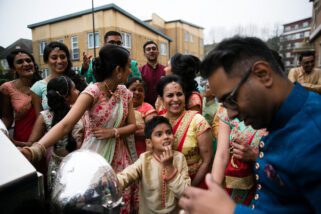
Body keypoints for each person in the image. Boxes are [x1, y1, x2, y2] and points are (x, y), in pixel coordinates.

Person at [179, 36, 321, 213]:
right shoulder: (277, 120)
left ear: (263, 74)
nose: (230, 115)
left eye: (231, 99)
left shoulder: (314, 133)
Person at [21, 44, 138, 213]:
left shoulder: (125, 93)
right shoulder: (93, 92)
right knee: (94, 204)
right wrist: (36, 150)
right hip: (93, 158)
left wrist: (113, 132)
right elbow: (65, 124)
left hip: (120, 158)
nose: (131, 72)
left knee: (120, 203)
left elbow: (133, 126)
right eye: (128, 66)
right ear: (118, 70)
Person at [117, 116, 191, 214]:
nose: (166, 137)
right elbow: (127, 175)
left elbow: (185, 194)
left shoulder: (179, 158)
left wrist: (169, 167)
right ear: (149, 142)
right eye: (159, 134)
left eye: (168, 132)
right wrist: (113, 182)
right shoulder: (145, 159)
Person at [26, 76, 83, 191]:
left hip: (79, 163)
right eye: (75, 89)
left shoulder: (80, 111)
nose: (78, 92)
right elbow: (32, 143)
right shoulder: (44, 116)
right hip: (58, 168)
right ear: (66, 96)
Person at [156, 75, 213, 188]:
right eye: (170, 95)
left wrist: (189, 188)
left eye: (179, 94)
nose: (176, 99)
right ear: (161, 99)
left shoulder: (198, 121)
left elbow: (207, 160)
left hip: (194, 183)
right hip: (163, 185)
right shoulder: (158, 122)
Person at [212, 106, 267, 205]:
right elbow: (222, 155)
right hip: (237, 186)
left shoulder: (278, 110)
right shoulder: (228, 108)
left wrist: (255, 156)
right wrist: (213, 192)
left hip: (268, 186)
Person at [0, 49, 42, 142]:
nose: (26, 64)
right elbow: (7, 117)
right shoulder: (7, 88)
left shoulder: (44, 85)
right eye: (20, 62)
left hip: (46, 140)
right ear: (13, 68)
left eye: (28, 60)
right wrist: (2, 130)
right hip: (21, 141)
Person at [31, 41, 87, 111]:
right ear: (46, 60)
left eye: (63, 57)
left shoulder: (77, 80)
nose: (59, 61)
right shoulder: (37, 87)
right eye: (54, 58)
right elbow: (39, 116)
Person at [125, 77, 157, 156]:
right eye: (133, 89)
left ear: (145, 95)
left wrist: (125, 131)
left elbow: (153, 131)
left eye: (140, 90)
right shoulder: (121, 108)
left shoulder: (147, 108)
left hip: (142, 151)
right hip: (123, 151)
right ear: (126, 92)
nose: (137, 92)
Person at [140, 40, 165, 107]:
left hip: (163, 108)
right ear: (144, 54)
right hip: (146, 109)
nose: (151, 51)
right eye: (148, 49)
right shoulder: (139, 71)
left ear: (158, 52)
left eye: (154, 48)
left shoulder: (165, 70)